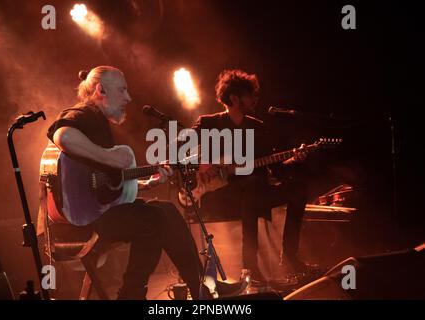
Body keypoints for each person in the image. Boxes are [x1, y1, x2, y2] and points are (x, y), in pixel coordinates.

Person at [46, 66, 244, 299]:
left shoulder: (100, 122)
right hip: (82, 220)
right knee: (153, 220)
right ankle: (133, 295)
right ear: (101, 90)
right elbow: (63, 136)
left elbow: (102, 183)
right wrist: (108, 156)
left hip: (100, 210)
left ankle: (202, 287)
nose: (128, 97)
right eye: (122, 90)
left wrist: (143, 184)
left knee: (166, 210)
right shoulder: (85, 114)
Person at [192, 69, 314, 285]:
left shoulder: (257, 128)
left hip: (254, 195)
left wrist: (294, 159)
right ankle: (249, 266)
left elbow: (276, 168)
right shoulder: (209, 124)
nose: (255, 99)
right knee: (253, 184)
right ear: (234, 98)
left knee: (298, 189)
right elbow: (182, 150)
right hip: (220, 195)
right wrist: (204, 165)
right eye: (251, 95)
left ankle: (289, 256)